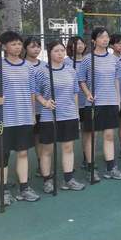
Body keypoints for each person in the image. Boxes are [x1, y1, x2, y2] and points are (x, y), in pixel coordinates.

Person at [0, 30, 41, 205]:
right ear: (4, 47)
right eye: (13, 44)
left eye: (19, 44)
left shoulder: (28, 67)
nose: (17, 47)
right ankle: (3, 191)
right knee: (3, 154)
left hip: (24, 116)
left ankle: (24, 188)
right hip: (5, 118)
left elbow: (32, 92)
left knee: (23, 153)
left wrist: (32, 114)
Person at [35, 40, 86, 192]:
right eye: (56, 51)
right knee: (47, 150)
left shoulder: (71, 70)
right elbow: (35, 92)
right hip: (49, 116)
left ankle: (68, 179)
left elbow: (75, 93)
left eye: (62, 51)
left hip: (68, 115)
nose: (60, 54)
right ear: (49, 53)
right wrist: (45, 102)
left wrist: (76, 113)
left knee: (68, 148)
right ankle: (47, 181)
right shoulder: (42, 71)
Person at [78, 27, 121, 181]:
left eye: (106, 37)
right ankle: (91, 169)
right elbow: (81, 80)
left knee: (109, 135)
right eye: (101, 37)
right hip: (94, 103)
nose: (105, 39)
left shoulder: (114, 59)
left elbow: (116, 80)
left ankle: (111, 168)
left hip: (110, 101)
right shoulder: (87, 59)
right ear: (94, 40)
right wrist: (87, 93)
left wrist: (118, 99)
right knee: (92, 136)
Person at [65, 36, 88, 168]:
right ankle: (69, 163)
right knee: (70, 136)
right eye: (76, 43)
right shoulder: (66, 62)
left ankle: (87, 157)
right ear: (70, 46)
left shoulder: (88, 60)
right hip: (71, 104)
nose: (79, 46)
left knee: (87, 132)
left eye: (81, 43)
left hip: (86, 102)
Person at [23, 36, 44, 177]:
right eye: (32, 46)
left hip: (41, 109)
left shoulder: (45, 65)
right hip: (25, 110)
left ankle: (42, 166)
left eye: (38, 46)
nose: (36, 49)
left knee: (40, 139)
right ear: (25, 48)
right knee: (22, 144)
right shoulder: (21, 65)